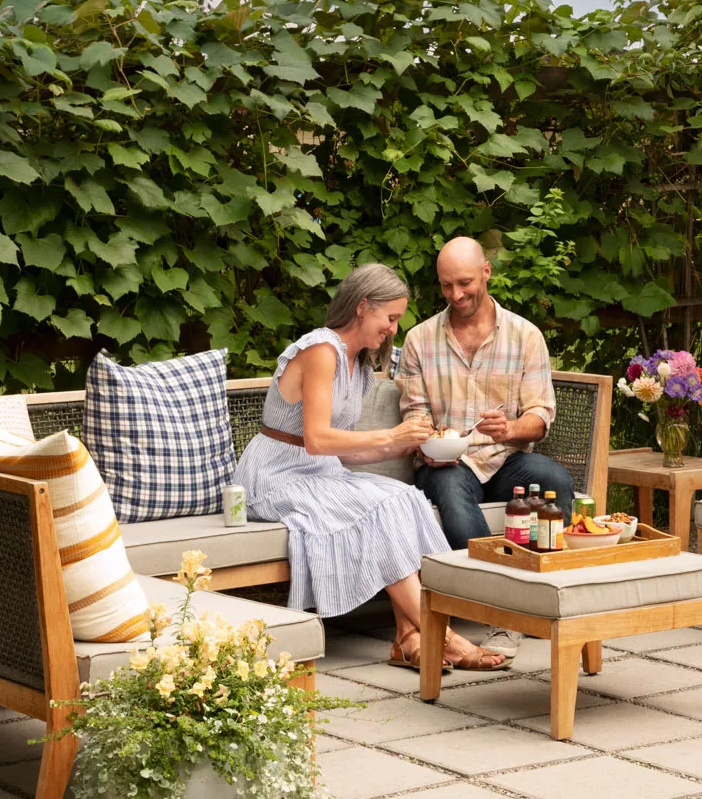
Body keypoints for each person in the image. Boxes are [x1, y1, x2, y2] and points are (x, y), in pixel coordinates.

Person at [234, 263, 508, 671]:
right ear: (362, 307)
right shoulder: (320, 351)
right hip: (277, 476)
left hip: (322, 473)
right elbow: (317, 439)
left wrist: (412, 448)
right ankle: (442, 637)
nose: (394, 329)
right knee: (377, 509)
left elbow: (346, 455)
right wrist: (392, 436)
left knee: (404, 497)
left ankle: (407, 636)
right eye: (391, 317)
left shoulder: (358, 365)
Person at [397, 236, 576, 557]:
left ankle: (550, 576)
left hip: (507, 461)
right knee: (452, 495)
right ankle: (493, 588)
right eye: (446, 285)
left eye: (465, 283)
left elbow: (539, 418)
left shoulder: (526, 337)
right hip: (445, 466)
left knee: (555, 479)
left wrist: (509, 429)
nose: (456, 294)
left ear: (486, 272)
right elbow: (415, 416)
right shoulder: (418, 340)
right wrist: (427, 447)